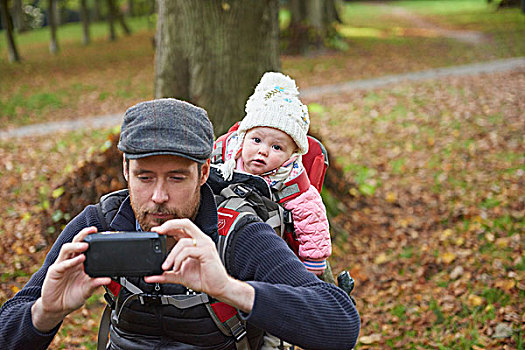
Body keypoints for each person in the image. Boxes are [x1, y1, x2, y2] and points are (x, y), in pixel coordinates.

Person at [0, 98, 360, 350]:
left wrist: (228, 288)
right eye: (143, 178)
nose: (158, 197)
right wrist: (44, 312)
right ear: (125, 170)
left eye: (175, 178)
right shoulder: (103, 223)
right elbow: (8, 329)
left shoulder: (236, 230)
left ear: (203, 171)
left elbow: (340, 323)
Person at [215, 72, 331, 276]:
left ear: (291, 154)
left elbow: (312, 219)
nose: (263, 151)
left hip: (268, 251)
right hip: (218, 240)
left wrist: (313, 262)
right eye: (256, 140)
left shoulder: (290, 180)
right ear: (243, 137)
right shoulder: (224, 156)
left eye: (276, 147)